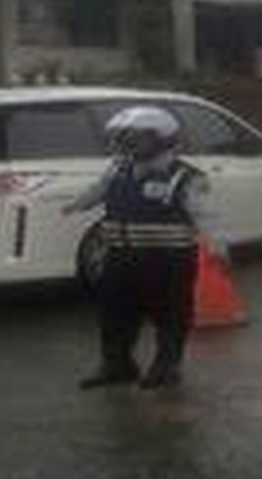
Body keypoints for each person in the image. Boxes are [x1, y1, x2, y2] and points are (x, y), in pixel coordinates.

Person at [64, 106, 223, 390]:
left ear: (162, 139)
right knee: (114, 313)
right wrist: (77, 204)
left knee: (170, 314)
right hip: (120, 256)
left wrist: (218, 246)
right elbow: (98, 191)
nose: (128, 144)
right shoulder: (119, 168)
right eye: (124, 138)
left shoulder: (186, 177)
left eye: (136, 139)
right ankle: (117, 364)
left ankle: (166, 366)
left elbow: (206, 215)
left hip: (167, 261)